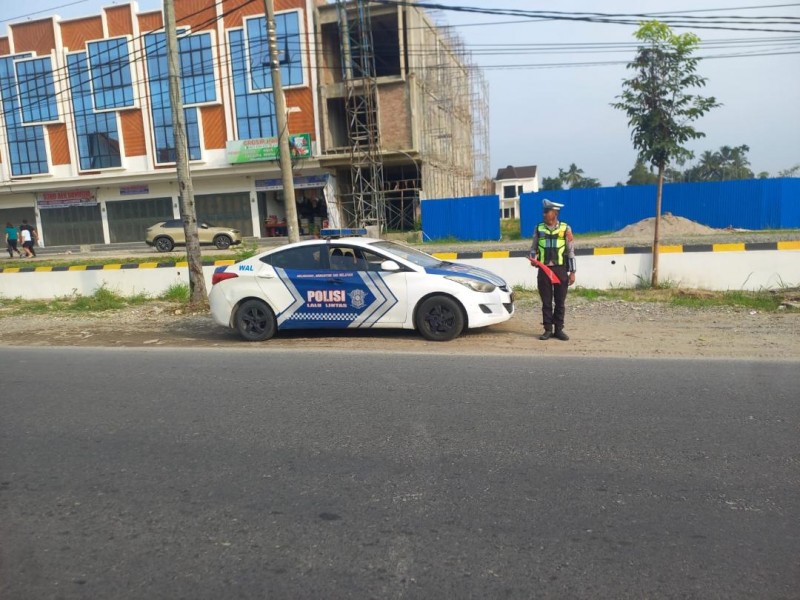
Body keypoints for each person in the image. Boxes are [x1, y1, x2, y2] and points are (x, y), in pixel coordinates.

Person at [530, 199, 577, 341]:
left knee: (560, 301)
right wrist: (533, 258)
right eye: (544, 212)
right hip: (544, 270)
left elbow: (571, 251)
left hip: (560, 269)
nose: (544, 214)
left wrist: (573, 272)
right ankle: (548, 329)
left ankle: (559, 329)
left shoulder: (565, 229)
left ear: (555, 213)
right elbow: (533, 248)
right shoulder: (538, 228)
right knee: (546, 302)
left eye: (547, 212)